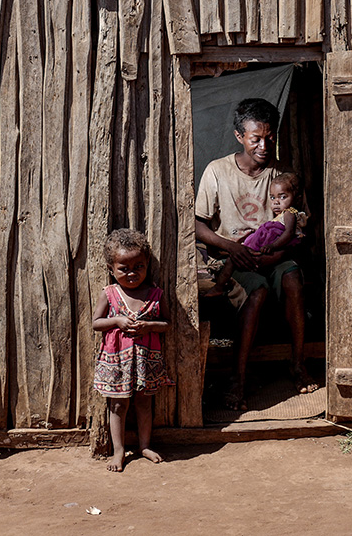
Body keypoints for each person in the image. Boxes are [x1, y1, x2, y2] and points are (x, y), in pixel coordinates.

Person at [194, 98, 317, 411]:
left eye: (270, 137)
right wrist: (231, 246)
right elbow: (197, 224)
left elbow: (299, 225)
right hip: (231, 257)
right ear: (239, 136)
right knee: (257, 291)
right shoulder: (217, 172)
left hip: (272, 255)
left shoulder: (282, 177)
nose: (264, 145)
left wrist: (276, 256)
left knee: (291, 278)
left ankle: (298, 363)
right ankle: (237, 378)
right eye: (256, 139)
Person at [92, 228, 170, 472]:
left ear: (147, 265)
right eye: (123, 269)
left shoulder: (156, 294)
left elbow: (167, 324)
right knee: (117, 405)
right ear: (111, 269)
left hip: (145, 360)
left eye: (139, 267)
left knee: (144, 403)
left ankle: (145, 446)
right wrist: (116, 321)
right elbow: (96, 323)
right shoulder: (110, 293)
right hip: (117, 362)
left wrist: (149, 326)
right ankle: (118, 450)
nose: (132, 273)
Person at [241, 172, 308, 254]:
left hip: (277, 246)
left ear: (297, 199)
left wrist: (273, 246)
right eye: (272, 197)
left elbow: (289, 233)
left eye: (283, 197)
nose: (276, 202)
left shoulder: (289, 213)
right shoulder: (282, 214)